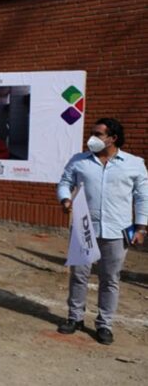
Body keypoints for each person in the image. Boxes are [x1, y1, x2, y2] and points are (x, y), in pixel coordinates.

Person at [56, 118, 147, 345]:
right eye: (92, 133)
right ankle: (75, 318)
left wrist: (141, 227)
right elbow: (65, 181)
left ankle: (104, 324)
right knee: (79, 276)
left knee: (110, 279)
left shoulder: (134, 164)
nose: (92, 138)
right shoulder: (79, 161)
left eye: (98, 134)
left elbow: (142, 197)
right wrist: (66, 199)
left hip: (117, 231)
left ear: (112, 138)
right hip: (84, 227)